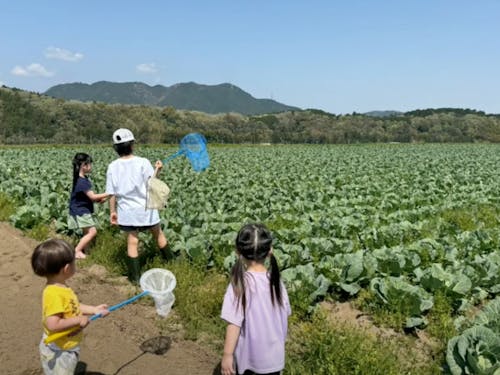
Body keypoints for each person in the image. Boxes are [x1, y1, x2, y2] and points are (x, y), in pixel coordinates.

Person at [221, 224, 291, 375]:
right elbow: (284, 317)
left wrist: (227, 355)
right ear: (270, 251)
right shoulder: (276, 283)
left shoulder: (239, 284)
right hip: (275, 360)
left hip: (250, 361)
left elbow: (234, 323)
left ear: (237, 251)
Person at [31, 238, 109, 375]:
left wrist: (93, 310)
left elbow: (72, 306)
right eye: (74, 262)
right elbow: (53, 324)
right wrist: (78, 320)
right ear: (67, 268)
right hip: (59, 350)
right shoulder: (53, 294)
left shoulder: (61, 288)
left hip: (67, 344)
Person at [105, 128, 173, 283]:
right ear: (132, 145)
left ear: (116, 148)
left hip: (127, 211)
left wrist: (112, 212)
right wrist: (158, 169)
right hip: (145, 209)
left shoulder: (112, 166)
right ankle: (171, 261)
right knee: (158, 234)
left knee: (132, 241)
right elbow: (151, 183)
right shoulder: (143, 162)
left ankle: (135, 278)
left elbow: (112, 193)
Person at [68, 153, 109, 259]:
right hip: (81, 211)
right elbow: (92, 197)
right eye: (89, 164)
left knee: (86, 232)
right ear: (84, 165)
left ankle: (87, 252)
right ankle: (77, 251)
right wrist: (109, 193)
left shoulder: (81, 179)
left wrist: (101, 199)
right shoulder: (82, 182)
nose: (91, 166)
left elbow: (87, 197)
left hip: (80, 209)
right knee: (92, 232)